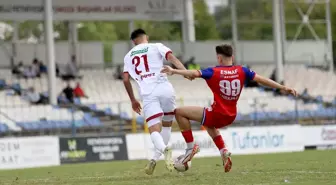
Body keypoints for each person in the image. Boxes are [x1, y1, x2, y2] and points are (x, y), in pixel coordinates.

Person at [161, 44, 297, 173]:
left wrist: (174, 70)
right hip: (231, 115)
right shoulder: (242, 70)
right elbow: (262, 80)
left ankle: (190, 149)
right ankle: (223, 151)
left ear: (219, 58)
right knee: (209, 124)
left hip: (217, 113)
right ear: (232, 57)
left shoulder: (213, 71)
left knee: (179, 112)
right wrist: (283, 87)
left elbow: (192, 74)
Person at [122, 29, 189, 175]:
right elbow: (172, 58)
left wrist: (133, 100)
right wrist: (185, 72)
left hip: (148, 93)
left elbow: (126, 79)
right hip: (165, 88)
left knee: (154, 129)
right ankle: (154, 158)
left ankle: (165, 149)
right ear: (146, 37)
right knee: (166, 125)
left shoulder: (128, 57)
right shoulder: (156, 46)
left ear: (133, 41)